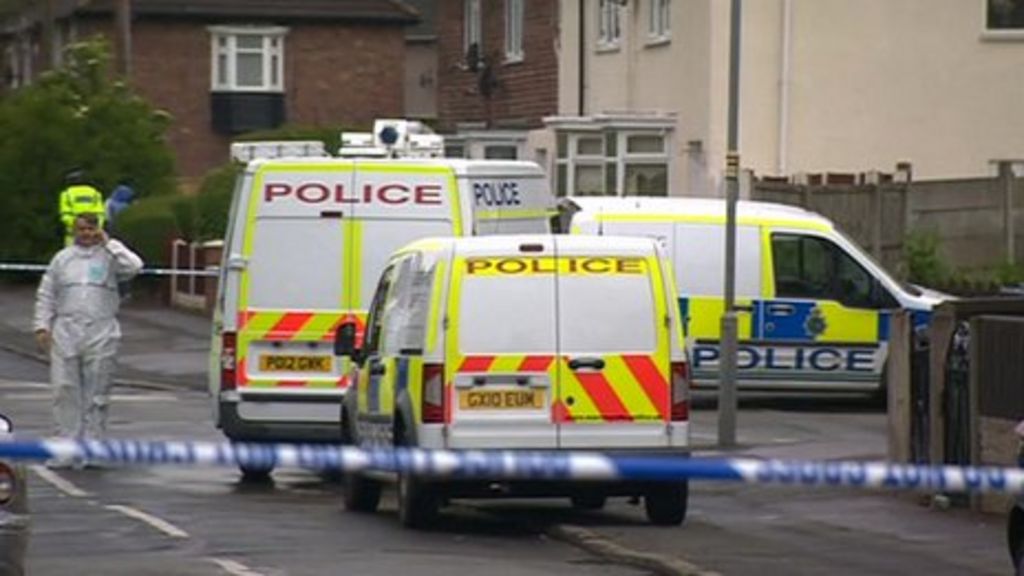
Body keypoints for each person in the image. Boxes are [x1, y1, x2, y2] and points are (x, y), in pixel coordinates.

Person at [33, 213, 143, 469]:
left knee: (97, 393)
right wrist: (41, 326)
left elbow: (135, 266)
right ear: (74, 231)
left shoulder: (110, 257)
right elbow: (47, 294)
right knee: (64, 390)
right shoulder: (62, 259)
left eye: (91, 229)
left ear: (98, 230)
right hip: (66, 330)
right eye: (81, 229)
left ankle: (94, 447)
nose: (86, 234)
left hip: (101, 330)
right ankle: (65, 447)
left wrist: (109, 243)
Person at [58, 170, 105, 247]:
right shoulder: (95, 193)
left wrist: (76, 226)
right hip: (94, 233)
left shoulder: (66, 194)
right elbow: (100, 213)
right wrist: (96, 227)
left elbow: (65, 214)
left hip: (72, 233)